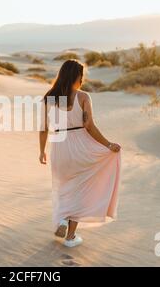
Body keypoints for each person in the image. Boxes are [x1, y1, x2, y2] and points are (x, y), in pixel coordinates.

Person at [39, 59, 121, 248]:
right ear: (77, 76)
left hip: (59, 148)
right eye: (81, 75)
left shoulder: (49, 98)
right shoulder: (83, 97)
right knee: (80, 191)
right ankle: (70, 236)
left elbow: (43, 129)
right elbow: (89, 127)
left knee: (63, 187)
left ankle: (61, 220)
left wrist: (41, 151)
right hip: (81, 147)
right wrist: (108, 145)